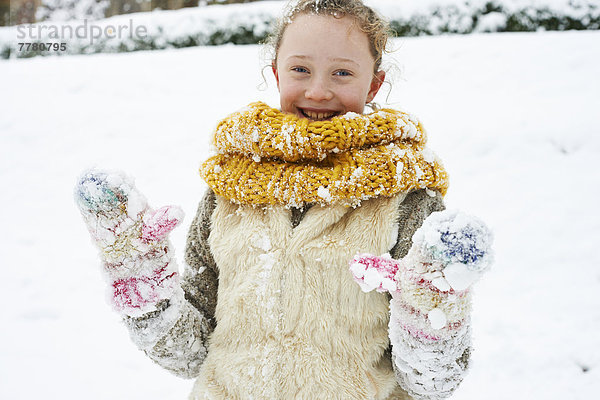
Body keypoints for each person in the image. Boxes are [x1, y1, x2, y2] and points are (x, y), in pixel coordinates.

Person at [75, 1, 493, 399]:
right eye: (300, 69)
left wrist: (431, 312)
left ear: (374, 84)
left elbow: (431, 383)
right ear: (277, 74)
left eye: (342, 73)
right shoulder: (231, 188)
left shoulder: (407, 198)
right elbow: (190, 354)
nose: (318, 90)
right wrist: (145, 289)